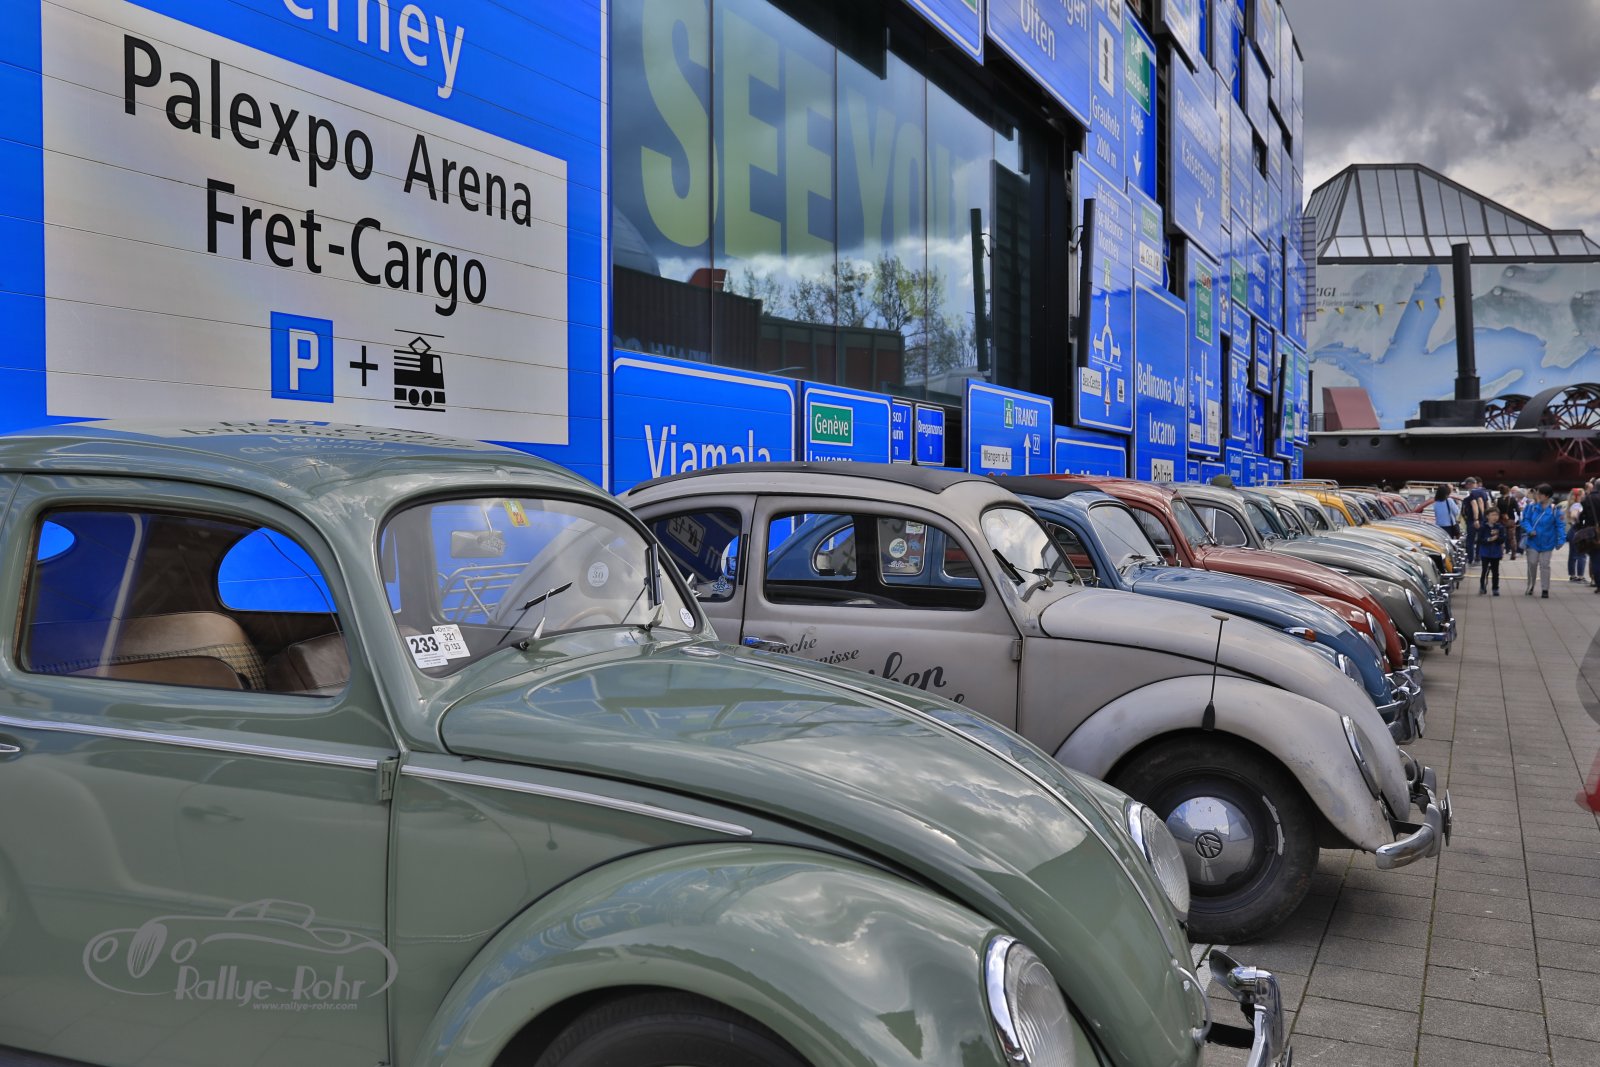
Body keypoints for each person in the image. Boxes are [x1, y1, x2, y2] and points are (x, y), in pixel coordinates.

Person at [1520, 483, 1565, 598]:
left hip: (1548, 542)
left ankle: (1545, 589)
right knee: (1532, 563)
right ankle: (1531, 585)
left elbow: (1560, 525)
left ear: (1547, 496)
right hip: (1533, 541)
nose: (1537, 496)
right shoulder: (1532, 507)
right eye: (1537, 493)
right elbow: (1525, 520)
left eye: (1540, 494)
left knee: (1545, 565)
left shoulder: (1555, 509)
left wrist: (1561, 539)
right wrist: (1530, 530)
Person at [1462, 476, 1492, 563]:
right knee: (1480, 539)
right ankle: (1478, 556)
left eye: (1466, 485)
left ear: (1470, 484)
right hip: (1483, 520)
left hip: (1473, 520)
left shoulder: (1472, 493)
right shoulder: (1484, 492)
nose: (1465, 487)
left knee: (1470, 540)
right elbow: (1488, 505)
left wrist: (1476, 519)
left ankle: (1470, 558)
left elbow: (1474, 506)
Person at [1478, 507, 1506, 596]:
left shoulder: (1500, 527)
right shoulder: (1483, 527)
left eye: (1497, 515)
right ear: (1487, 516)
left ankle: (1495, 588)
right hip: (1485, 552)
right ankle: (1482, 587)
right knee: (1484, 570)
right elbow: (1479, 540)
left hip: (1496, 553)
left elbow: (1502, 540)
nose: (1495, 517)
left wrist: (1497, 537)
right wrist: (1489, 539)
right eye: (1493, 515)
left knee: (1495, 571)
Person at [1567, 487, 1588, 581]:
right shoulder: (1577, 505)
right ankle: (1580, 576)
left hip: (1573, 530)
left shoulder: (1573, 505)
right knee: (1581, 554)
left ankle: (1572, 575)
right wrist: (1580, 520)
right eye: (1582, 494)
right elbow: (1574, 515)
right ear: (1578, 496)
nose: (1584, 496)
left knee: (1572, 555)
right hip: (1578, 530)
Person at [1497, 484, 1521, 559]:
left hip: (1501, 520)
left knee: (1501, 537)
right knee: (1512, 538)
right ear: (1508, 491)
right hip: (1510, 520)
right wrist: (1519, 518)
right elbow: (1517, 510)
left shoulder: (1498, 500)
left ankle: (1500, 554)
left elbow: (1497, 511)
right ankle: (1513, 554)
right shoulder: (1513, 499)